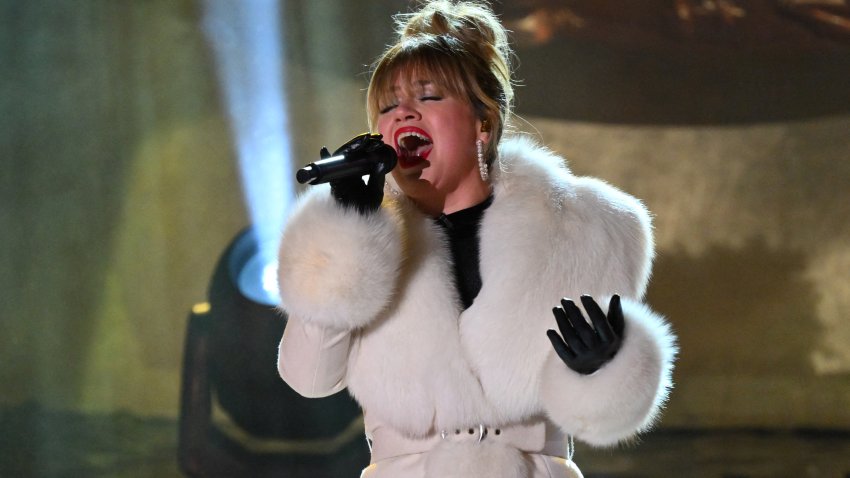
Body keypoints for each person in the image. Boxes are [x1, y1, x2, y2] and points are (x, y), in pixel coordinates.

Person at [276, 1, 677, 477]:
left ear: (482, 124)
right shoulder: (357, 239)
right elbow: (309, 379)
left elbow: (604, 419)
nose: (403, 112)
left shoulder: (590, 227)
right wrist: (345, 238)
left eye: (427, 97)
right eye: (387, 106)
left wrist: (603, 369)